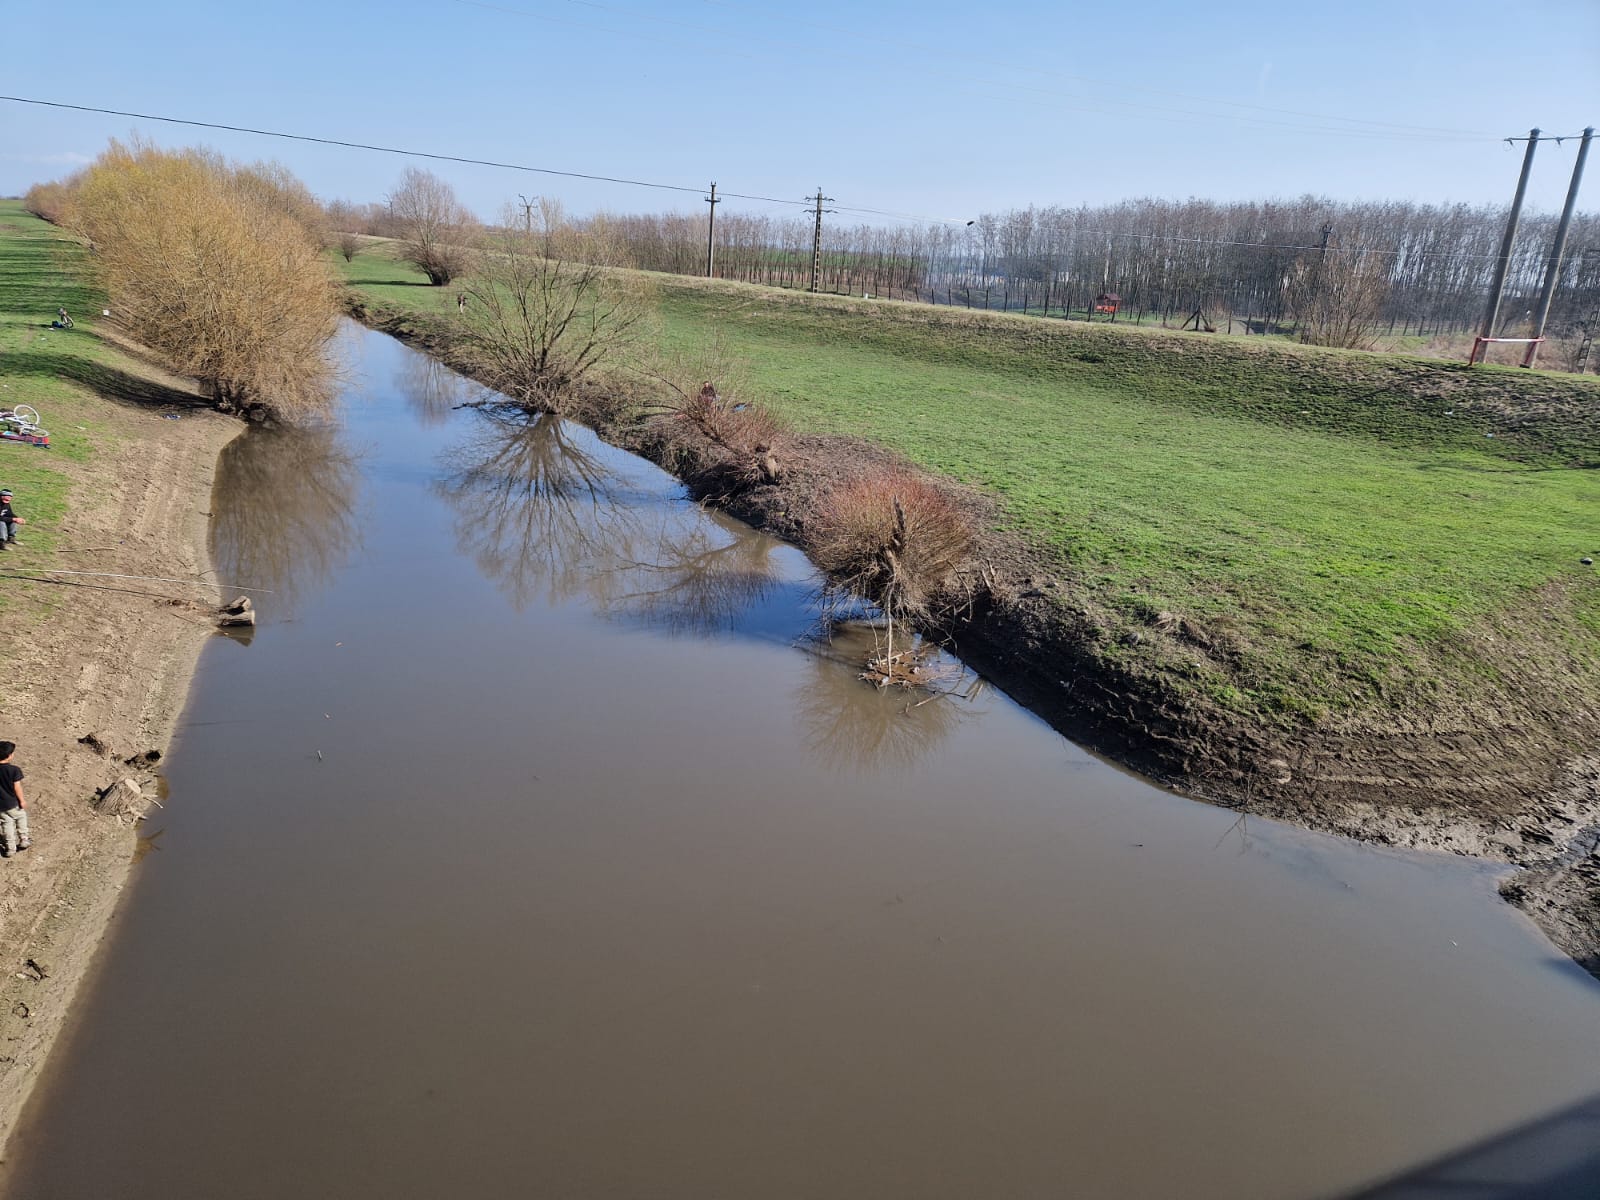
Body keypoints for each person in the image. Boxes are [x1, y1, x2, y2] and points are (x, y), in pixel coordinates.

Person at [0, 741, 29, 858]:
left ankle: (10, 848)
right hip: (13, 803)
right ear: (9, 755)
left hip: (0, 806)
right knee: (21, 817)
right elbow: (17, 787)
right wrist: (22, 800)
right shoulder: (14, 770)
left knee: (6, 825)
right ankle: (24, 839)